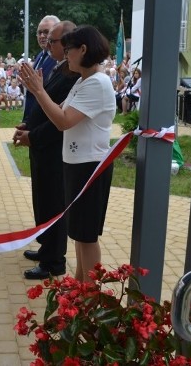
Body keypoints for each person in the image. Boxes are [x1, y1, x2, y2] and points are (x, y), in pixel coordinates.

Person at [20, 25, 116, 282]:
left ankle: (91, 297)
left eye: (69, 50)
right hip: (76, 163)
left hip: (89, 166)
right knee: (78, 234)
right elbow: (56, 110)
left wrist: (38, 90)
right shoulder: (84, 81)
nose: (65, 55)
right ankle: (80, 288)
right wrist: (38, 94)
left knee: (86, 236)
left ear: (83, 49)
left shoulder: (97, 83)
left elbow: (63, 120)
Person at [13, 20, 79, 279]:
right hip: (40, 146)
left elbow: (59, 120)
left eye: (52, 40)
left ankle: (54, 261)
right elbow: (42, 105)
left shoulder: (73, 76)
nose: (46, 43)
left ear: (67, 44)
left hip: (53, 149)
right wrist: (27, 124)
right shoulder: (57, 68)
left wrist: (33, 136)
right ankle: (45, 247)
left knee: (53, 204)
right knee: (41, 200)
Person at [22, 15, 60, 124]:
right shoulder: (40, 56)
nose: (42, 36)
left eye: (46, 32)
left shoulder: (59, 59)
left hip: (47, 120)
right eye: (39, 32)